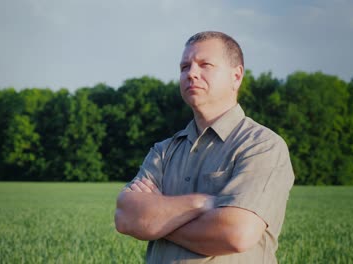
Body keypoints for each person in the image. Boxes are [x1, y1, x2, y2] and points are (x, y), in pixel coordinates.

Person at [114, 31, 295, 263]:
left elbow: (236, 234)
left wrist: (155, 221)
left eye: (205, 64)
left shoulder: (262, 146)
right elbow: (125, 217)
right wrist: (201, 203)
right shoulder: (164, 151)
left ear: (236, 76)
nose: (191, 73)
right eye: (184, 67)